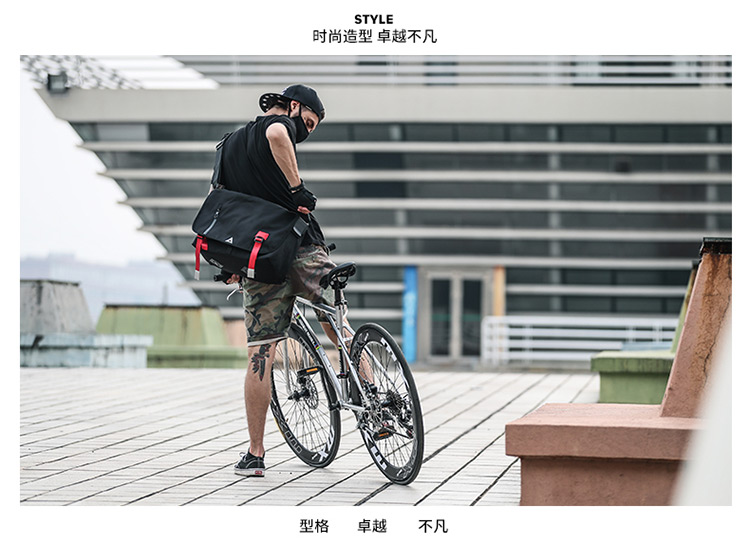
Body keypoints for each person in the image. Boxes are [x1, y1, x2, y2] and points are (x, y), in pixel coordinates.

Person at [213, 84, 342, 477]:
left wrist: (231, 261)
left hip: (260, 260)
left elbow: (223, 204)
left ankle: (255, 453)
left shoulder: (228, 146)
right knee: (337, 325)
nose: (306, 131)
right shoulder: (279, 125)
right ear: (294, 106)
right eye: (308, 123)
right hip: (300, 247)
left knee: (260, 356)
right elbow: (275, 132)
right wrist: (297, 188)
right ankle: (373, 396)